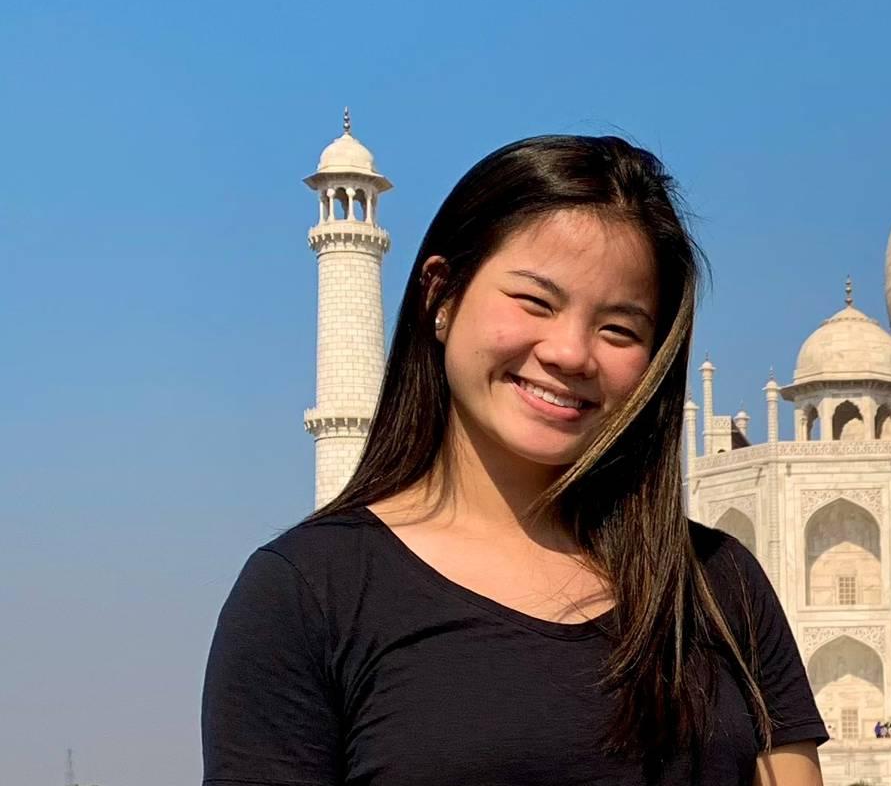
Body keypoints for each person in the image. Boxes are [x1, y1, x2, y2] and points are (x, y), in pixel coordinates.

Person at [200, 136, 827, 785]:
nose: (570, 353)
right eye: (535, 301)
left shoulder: (717, 587)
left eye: (619, 329)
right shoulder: (309, 596)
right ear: (441, 297)